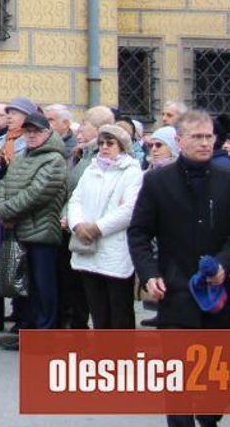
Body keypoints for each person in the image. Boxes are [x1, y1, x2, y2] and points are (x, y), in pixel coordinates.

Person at [128, 109, 230, 427]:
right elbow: (139, 232)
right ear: (180, 140)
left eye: (209, 136)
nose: (205, 143)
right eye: (197, 137)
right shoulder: (157, 181)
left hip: (220, 295)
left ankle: (209, 416)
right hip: (176, 291)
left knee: (221, 380)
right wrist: (149, 273)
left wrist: (225, 263)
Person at [0, 109, 67, 346]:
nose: (32, 135)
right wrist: (1, 208)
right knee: (25, 287)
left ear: (48, 133)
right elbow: (5, 185)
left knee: (43, 288)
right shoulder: (22, 156)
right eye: (28, 131)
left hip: (42, 233)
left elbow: (37, 193)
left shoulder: (55, 160)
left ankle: (44, 336)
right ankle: (28, 333)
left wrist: (6, 211)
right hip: (20, 230)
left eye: (37, 131)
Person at [65, 124, 142, 329]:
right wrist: (78, 225)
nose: (104, 147)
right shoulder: (91, 169)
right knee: (98, 311)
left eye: (110, 143)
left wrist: (97, 228)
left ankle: (120, 350)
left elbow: (129, 209)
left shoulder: (131, 171)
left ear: (122, 146)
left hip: (115, 249)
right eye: (101, 144)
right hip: (87, 247)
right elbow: (76, 200)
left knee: (119, 312)